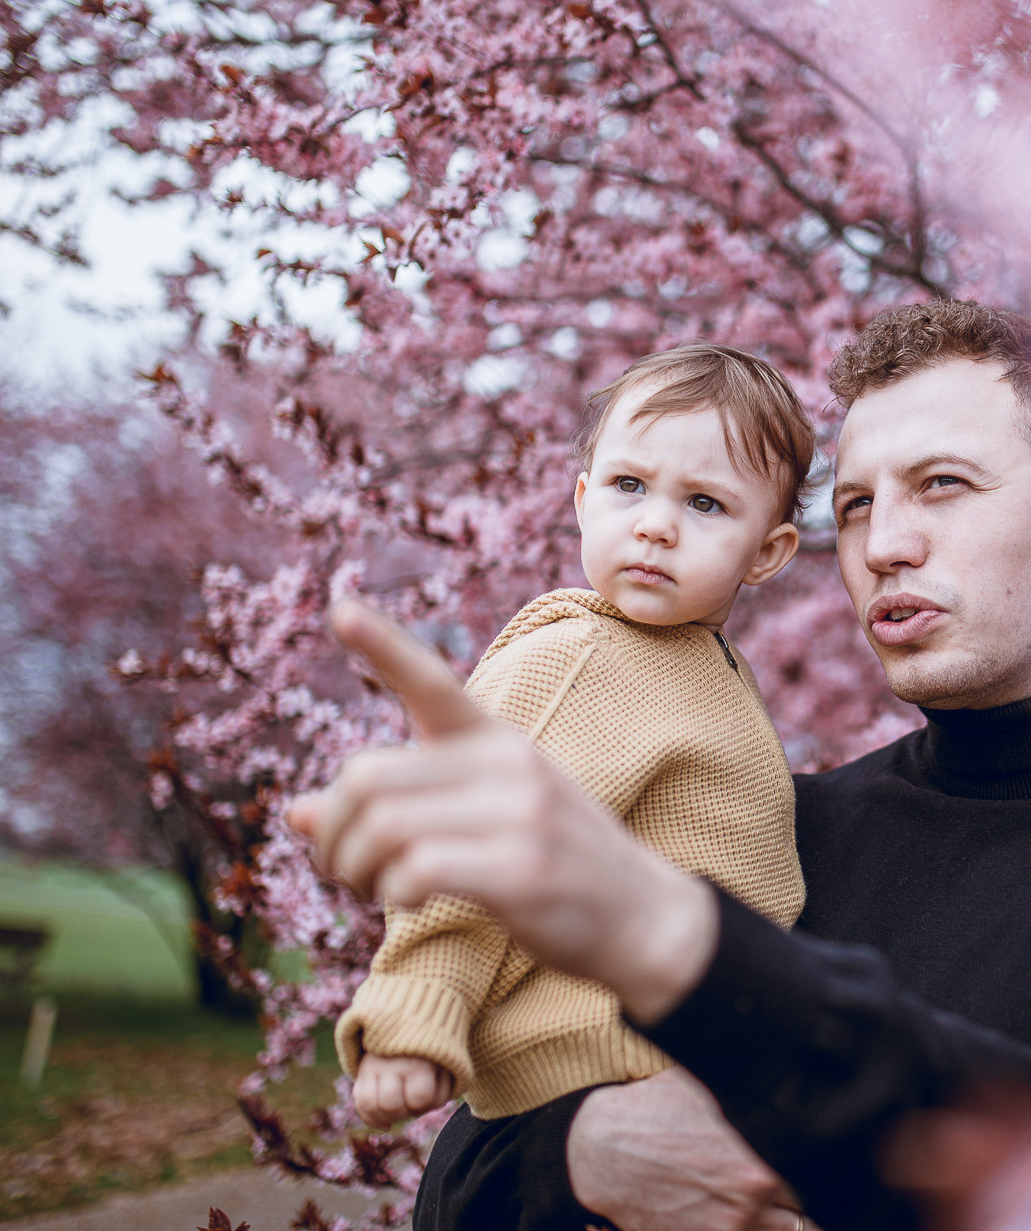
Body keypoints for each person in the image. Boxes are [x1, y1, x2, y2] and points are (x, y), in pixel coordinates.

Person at [297, 301, 1031, 1231]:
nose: (883, 546)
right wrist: (577, 1155)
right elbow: (459, 1180)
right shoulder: (787, 830)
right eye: (856, 505)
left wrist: (686, 950)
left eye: (944, 484)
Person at [331, 347, 813, 1192]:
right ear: (584, 497)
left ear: (767, 552)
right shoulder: (578, 655)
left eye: (704, 502)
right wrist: (416, 1012)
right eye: (630, 486)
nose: (656, 523)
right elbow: (473, 839)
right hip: (589, 1066)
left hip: (697, 1065)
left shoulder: (700, 666)